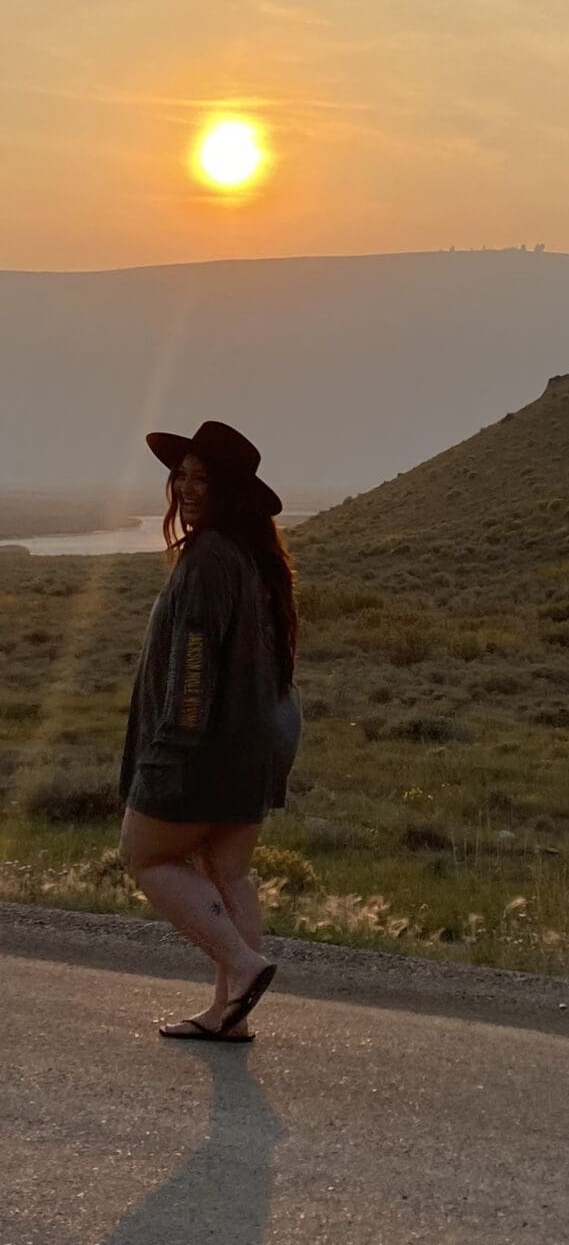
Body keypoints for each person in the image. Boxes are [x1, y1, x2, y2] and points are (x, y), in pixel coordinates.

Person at [118, 419, 302, 1042]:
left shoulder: (209, 558)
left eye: (204, 479)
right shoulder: (257, 559)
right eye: (183, 476)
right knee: (227, 873)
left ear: (231, 491)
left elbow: (193, 661)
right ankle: (228, 1017)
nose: (188, 489)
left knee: (144, 856)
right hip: (252, 751)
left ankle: (244, 967)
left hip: (201, 753)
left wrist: (170, 749)